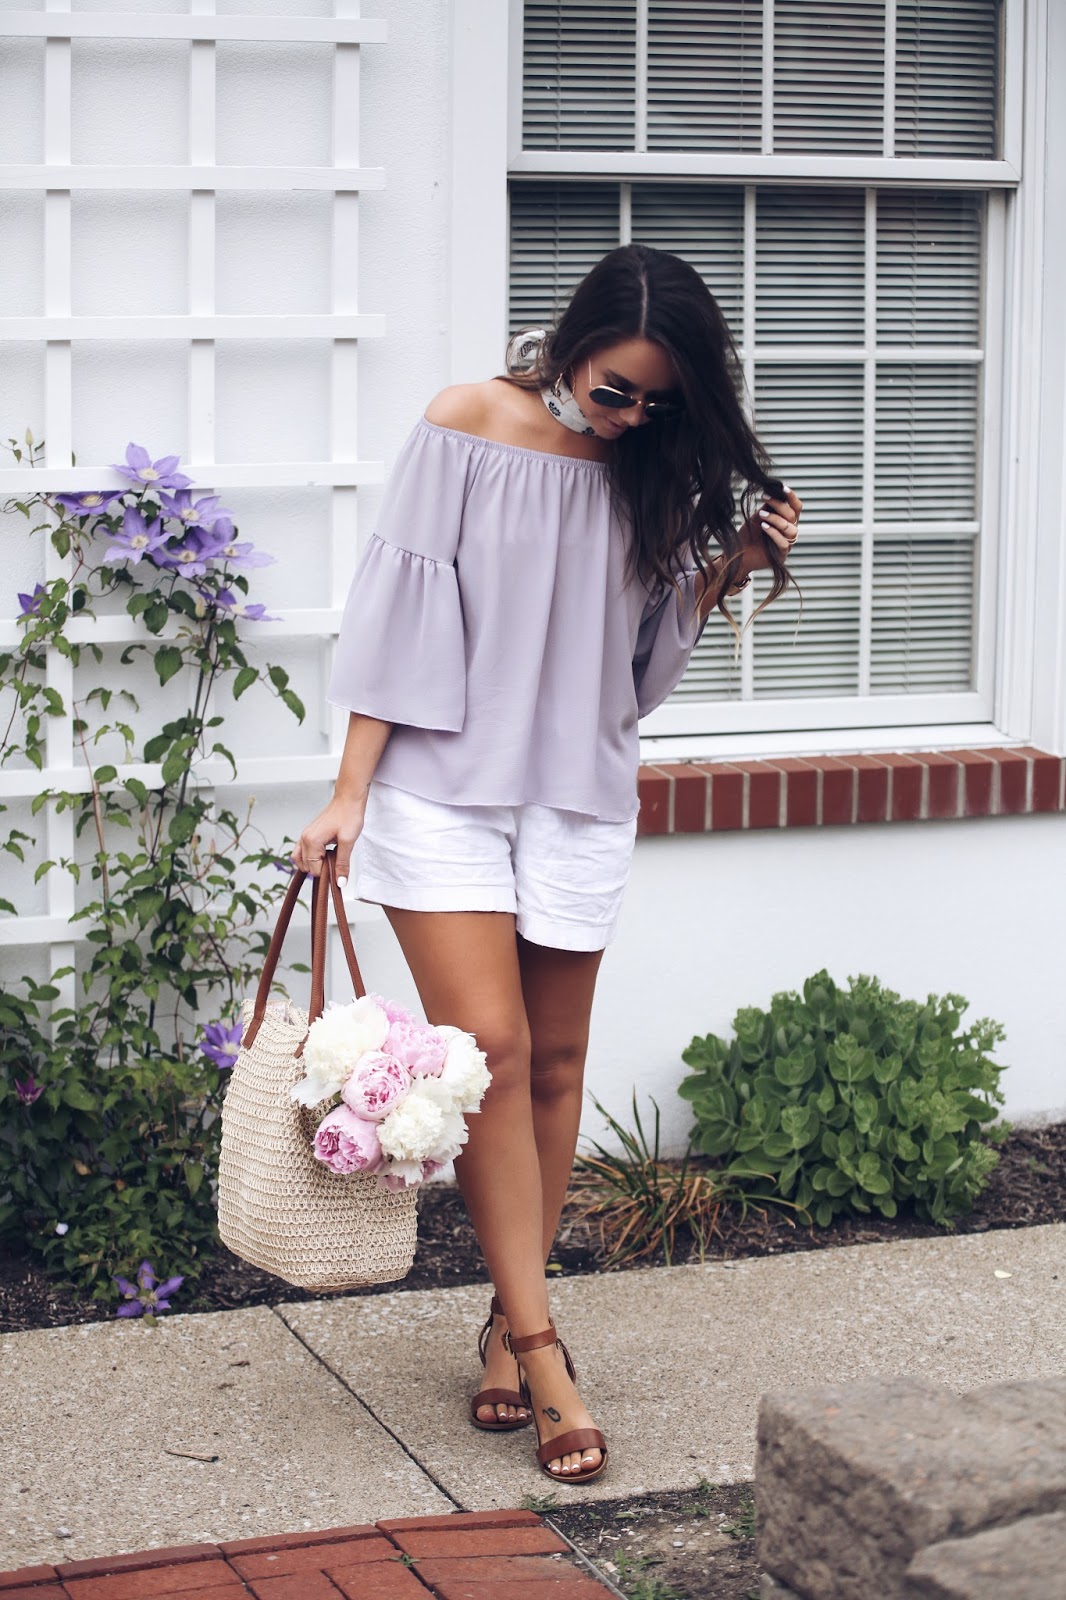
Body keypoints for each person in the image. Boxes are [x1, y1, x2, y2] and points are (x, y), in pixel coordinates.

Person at [292, 243, 802, 1484]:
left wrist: (725, 568)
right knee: (492, 1053)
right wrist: (349, 791)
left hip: (577, 796)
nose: (626, 415)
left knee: (558, 1061)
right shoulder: (467, 422)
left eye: (656, 404)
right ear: (568, 345)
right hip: (441, 795)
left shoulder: (653, 472)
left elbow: (634, 677)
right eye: (612, 389)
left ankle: (502, 1319)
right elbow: (397, 618)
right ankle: (541, 1343)